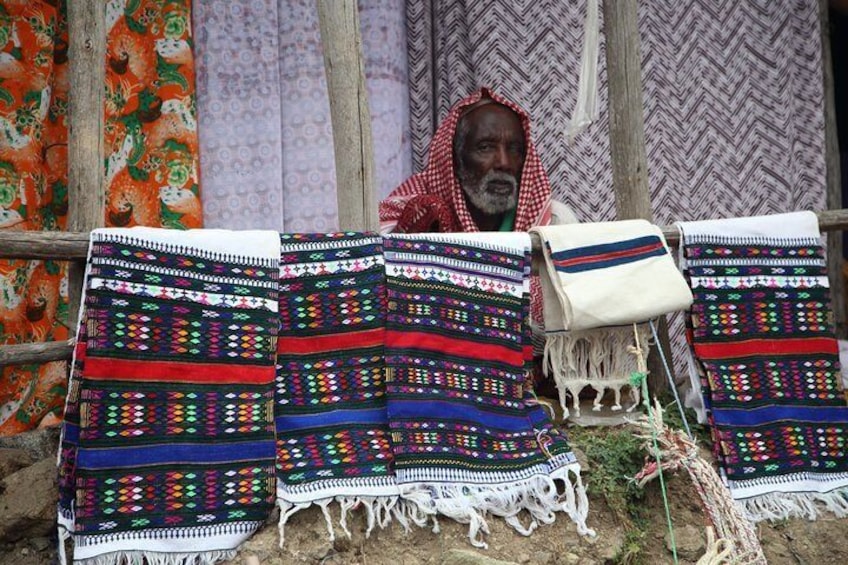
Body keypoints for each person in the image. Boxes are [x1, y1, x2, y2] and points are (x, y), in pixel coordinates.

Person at [379, 87, 576, 235]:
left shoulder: (555, 223)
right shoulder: (407, 215)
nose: (504, 163)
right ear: (455, 158)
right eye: (485, 148)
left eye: (515, 149)